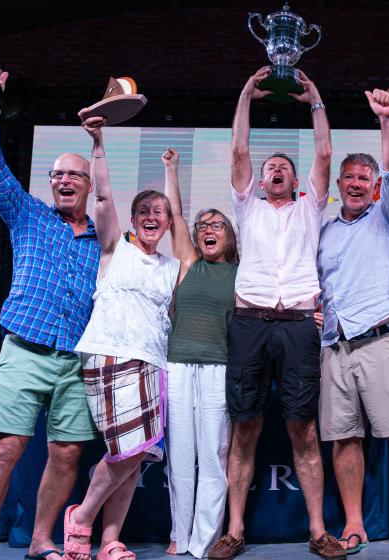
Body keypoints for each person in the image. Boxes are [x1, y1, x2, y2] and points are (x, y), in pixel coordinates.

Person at [0, 68, 99, 560]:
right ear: (50, 183)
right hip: (25, 348)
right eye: (58, 174)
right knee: (5, 448)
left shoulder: (105, 239)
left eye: (74, 175)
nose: (65, 180)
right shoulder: (28, 215)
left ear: (88, 185)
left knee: (66, 453)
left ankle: (42, 540)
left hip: (77, 360)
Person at [212, 66, 342, 559]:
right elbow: (240, 150)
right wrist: (246, 92)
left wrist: (315, 99)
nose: (276, 170)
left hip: (298, 326)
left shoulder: (311, 206)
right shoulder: (247, 206)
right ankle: (235, 530)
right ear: (260, 179)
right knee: (244, 426)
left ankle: (317, 530)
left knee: (303, 428)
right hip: (250, 322)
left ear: (294, 178)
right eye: (270, 167)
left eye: (284, 166)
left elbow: (325, 152)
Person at [316, 89, 389, 558]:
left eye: (364, 178)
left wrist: (388, 119)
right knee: (343, 438)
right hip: (335, 345)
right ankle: (354, 523)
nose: (356, 183)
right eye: (348, 177)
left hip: (381, 340)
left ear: (375, 186)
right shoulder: (325, 229)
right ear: (339, 184)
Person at [62, 114, 180, 560]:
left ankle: (111, 540)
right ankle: (82, 521)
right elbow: (104, 194)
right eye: (145, 212)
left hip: (153, 363)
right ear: (133, 219)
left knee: (137, 457)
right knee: (126, 450)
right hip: (111, 356)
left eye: (160, 213)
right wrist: (97, 143)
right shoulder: (116, 248)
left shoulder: (171, 268)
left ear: (168, 223)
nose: (153, 218)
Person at [161, 148, 239, 558]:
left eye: (217, 225)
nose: (209, 229)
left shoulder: (242, 274)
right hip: (177, 365)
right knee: (180, 455)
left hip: (218, 369)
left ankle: (205, 538)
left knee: (212, 455)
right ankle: (180, 532)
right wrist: (171, 169)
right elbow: (174, 215)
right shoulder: (189, 263)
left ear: (229, 234)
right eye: (203, 225)